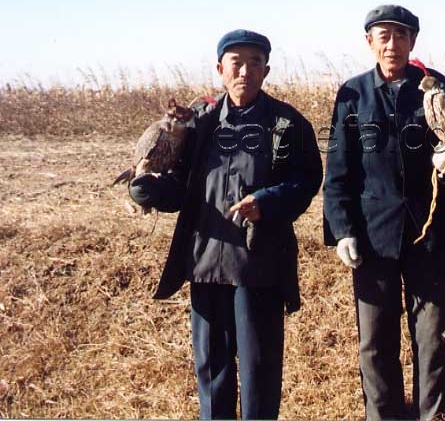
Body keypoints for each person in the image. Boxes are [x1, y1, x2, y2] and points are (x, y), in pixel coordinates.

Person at [128, 29, 323, 420]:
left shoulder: (286, 124)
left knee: (259, 370)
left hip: (258, 266)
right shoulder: (199, 125)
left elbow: (306, 180)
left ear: (266, 71)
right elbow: (181, 186)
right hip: (205, 264)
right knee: (212, 369)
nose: (245, 71)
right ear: (221, 69)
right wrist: (149, 191)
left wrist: (267, 202)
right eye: (236, 62)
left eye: (255, 62)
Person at [323, 4, 445, 420]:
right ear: (369, 42)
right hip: (373, 236)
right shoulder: (352, 94)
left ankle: (433, 415)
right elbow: (339, 170)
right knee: (375, 340)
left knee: (434, 335)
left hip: (430, 231)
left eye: (401, 36)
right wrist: (343, 230)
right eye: (384, 36)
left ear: (413, 43)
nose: (393, 45)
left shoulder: (436, 86)